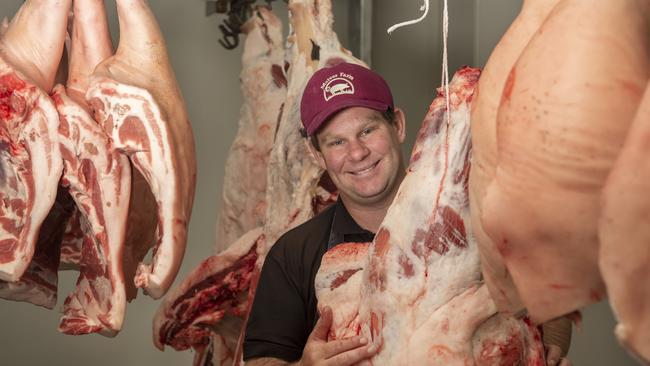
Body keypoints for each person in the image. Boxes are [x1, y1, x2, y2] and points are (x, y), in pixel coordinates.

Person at [242, 62, 572, 366]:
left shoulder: (478, 222)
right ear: (317, 155)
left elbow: (553, 302)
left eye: (367, 131)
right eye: (336, 142)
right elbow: (261, 360)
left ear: (397, 125)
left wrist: (547, 348)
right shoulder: (294, 253)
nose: (357, 153)